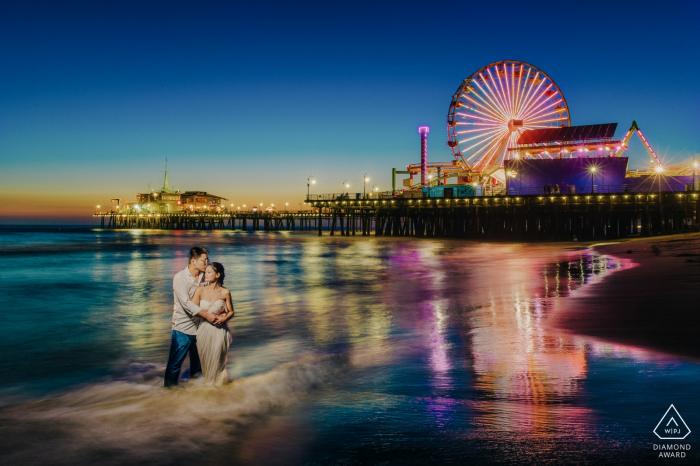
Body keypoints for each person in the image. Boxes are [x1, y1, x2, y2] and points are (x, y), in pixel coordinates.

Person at [164, 246, 222, 387]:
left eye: (207, 260)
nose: (206, 263)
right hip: (182, 328)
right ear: (193, 261)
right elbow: (187, 305)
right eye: (203, 260)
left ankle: (195, 398)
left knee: (198, 367)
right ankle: (167, 397)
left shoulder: (205, 277)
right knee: (175, 365)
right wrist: (208, 316)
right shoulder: (180, 278)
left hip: (200, 328)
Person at [191, 262, 234, 386]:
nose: (206, 274)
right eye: (206, 272)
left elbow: (230, 311)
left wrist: (224, 318)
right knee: (206, 362)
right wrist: (207, 316)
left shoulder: (225, 292)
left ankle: (220, 389)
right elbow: (193, 310)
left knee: (218, 362)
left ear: (217, 275)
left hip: (220, 331)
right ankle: (210, 389)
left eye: (209, 272)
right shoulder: (200, 290)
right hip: (204, 330)